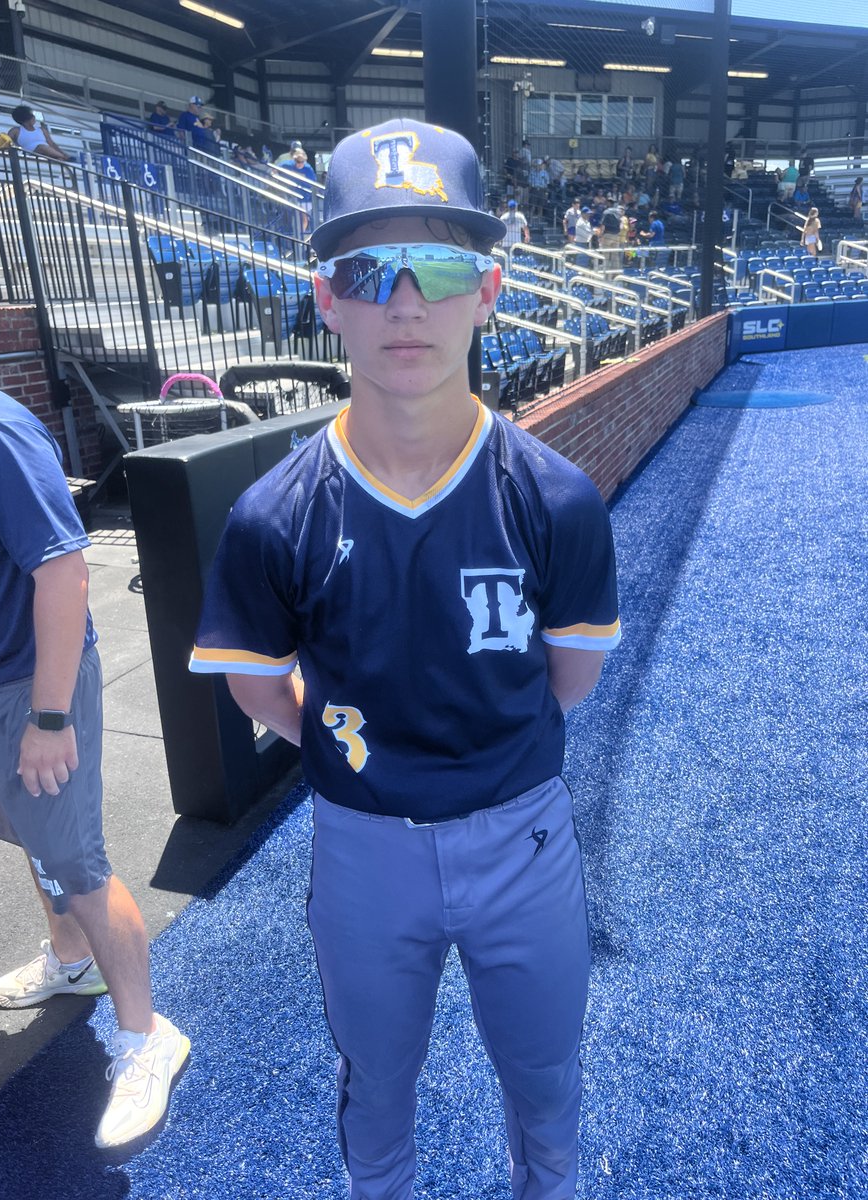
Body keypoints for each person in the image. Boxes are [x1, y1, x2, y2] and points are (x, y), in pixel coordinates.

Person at [190, 116, 621, 1200]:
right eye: (367, 267)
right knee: (376, 1091)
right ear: (325, 296)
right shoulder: (270, 514)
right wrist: (352, 744)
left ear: (489, 287)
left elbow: (571, 679)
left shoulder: (554, 497)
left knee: (544, 1083)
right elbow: (256, 685)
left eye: (437, 262)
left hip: (522, 836)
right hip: (363, 850)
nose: (404, 299)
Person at [0, 376, 189, 1149]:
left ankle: (146, 1034)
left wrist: (49, 717)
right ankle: (70, 960)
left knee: (75, 860)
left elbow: (63, 572)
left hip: (29, 691)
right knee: (29, 838)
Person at [7, 105, 72, 162]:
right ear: (27, 119)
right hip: (31, 154)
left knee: (50, 152)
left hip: (47, 153)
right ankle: (64, 157)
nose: (34, 117)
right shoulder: (16, 131)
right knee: (41, 147)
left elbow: (52, 144)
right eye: (32, 116)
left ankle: (61, 157)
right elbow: (6, 142)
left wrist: (63, 152)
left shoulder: (41, 130)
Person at [281, 146, 318, 234]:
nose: (299, 164)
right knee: (298, 218)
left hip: (305, 198)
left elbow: (313, 183)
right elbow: (275, 169)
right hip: (292, 197)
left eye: (301, 161)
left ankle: (300, 235)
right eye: (297, 161)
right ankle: (297, 235)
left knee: (303, 218)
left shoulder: (308, 169)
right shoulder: (287, 164)